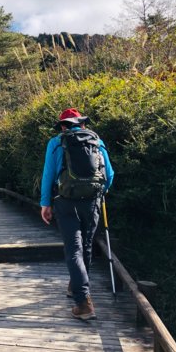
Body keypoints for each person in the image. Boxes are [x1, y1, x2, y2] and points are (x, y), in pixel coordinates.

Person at [40, 108, 114, 320]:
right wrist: (100, 193)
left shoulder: (56, 142)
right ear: (82, 124)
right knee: (87, 246)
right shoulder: (96, 141)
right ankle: (77, 288)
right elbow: (109, 175)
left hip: (66, 202)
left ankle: (83, 302)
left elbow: (48, 174)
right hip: (92, 202)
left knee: (73, 248)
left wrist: (45, 203)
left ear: (63, 126)